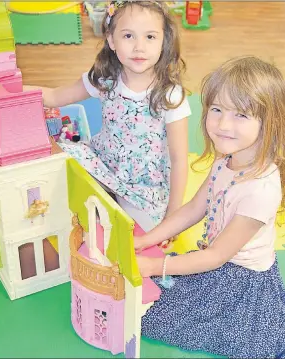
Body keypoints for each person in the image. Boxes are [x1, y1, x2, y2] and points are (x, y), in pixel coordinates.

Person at [134, 56, 285, 359]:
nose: (223, 125)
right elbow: (193, 209)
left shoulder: (260, 191)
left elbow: (214, 257)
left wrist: (153, 266)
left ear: (270, 122)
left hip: (242, 284)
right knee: (143, 303)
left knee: (151, 320)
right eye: (216, 110)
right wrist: (147, 240)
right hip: (213, 263)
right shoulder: (227, 158)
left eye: (241, 115)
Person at [25, 1, 191, 236]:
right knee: (60, 157)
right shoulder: (105, 79)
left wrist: (174, 215)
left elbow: (178, 160)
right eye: (128, 36)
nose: (139, 47)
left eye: (150, 37)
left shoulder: (170, 95)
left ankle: (109, 202)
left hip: (143, 185)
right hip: (103, 163)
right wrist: (12, 89)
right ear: (112, 40)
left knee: (150, 234)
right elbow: (54, 96)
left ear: (164, 42)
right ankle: (103, 199)